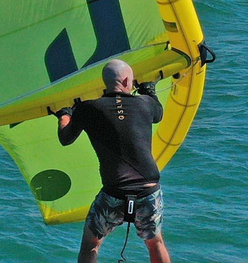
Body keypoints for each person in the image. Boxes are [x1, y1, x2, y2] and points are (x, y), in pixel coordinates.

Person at [52, 59, 171, 263]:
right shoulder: (145, 103)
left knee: (90, 245)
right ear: (127, 80)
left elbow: (66, 138)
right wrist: (149, 89)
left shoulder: (89, 109)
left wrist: (64, 113)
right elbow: (158, 113)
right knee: (155, 243)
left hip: (114, 193)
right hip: (148, 190)